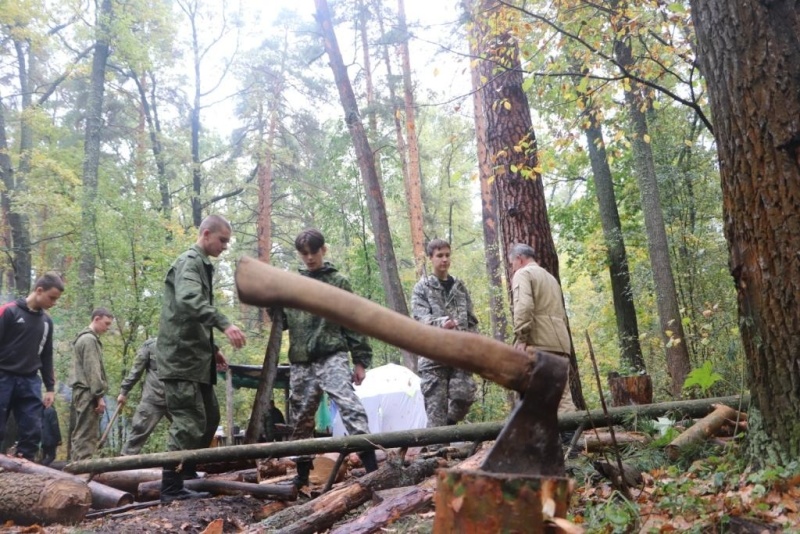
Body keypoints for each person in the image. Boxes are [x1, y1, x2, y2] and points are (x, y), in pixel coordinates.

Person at [156, 214, 246, 502]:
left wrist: (213, 346)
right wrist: (224, 322)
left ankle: (188, 474)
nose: (224, 246)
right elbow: (188, 300)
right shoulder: (189, 262)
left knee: (209, 418)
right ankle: (170, 488)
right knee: (189, 420)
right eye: (222, 240)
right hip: (181, 359)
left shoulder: (202, 265)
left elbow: (191, 316)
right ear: (206, 234)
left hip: (197, 357)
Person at [279, 229, 378, 487]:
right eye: (304, 254)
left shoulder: (338, 282)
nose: (310, 258)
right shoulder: (292, 285)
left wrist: (360, 360)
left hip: (332, 354)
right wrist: (270, 301)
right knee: (300, 415)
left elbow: (353, 321)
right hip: (301, 360)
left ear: (324, 250)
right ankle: (301, 475)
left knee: (349, 405)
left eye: (314, 252)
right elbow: (283, 322)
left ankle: (372, 468)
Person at [411, 239, 478, 428]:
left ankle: (449, 425)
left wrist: (475, 343)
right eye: (440, 255)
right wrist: (442, 324)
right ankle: (435, 453)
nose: (444, 259)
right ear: (431, 258)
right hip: (434, 358)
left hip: (460, 355)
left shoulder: (459, 287)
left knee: (464, 395)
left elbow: (471, 320)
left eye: (447, 255)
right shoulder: (422, 287)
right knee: (436, 412)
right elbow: (420, 319)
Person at [0, 272, 64, 461]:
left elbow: (47, 355)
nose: (54, 302)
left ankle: (23, 467)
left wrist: (50, 388)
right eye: (52, 298)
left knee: (33, 429)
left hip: (29, 380)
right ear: (39, 290)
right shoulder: (9, 311)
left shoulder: (46, 322)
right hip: (3, 376)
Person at [508, 243, 576, 413]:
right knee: (562, 395)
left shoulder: (523, 274)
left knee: (533, 393)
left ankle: (538, 439)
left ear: (519, 259)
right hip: (560, 342)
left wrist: (522, 338)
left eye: (512, 264)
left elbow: (524, 307)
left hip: (538, 343)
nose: (512, 268)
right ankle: (570, 438)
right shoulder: (551, 278)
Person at [69, 307, 113, 461]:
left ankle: (76, 466)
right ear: (97, 319)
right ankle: (82, 469)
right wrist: (99, 396)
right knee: (87, 434)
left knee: (82, 431)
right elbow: (92, 370)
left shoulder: (86, 338)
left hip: (84, 392)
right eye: (106, 324)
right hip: (88, 393)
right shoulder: (89, 339)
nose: (107, 328)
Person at [117, 337, 170, 455]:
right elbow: (136, 370)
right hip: (152, 398)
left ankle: (180, 465)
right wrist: (124, 391)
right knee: (138, 431)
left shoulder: (183, 345)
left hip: (177, 400)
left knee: (187, 433)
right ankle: (123, 464)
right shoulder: (150, 345)